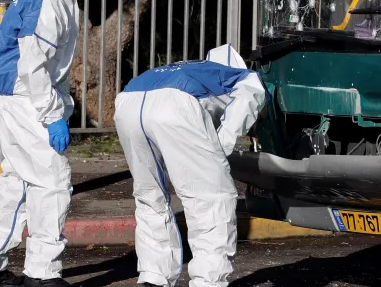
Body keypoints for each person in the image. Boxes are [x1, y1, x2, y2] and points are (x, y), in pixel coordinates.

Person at [0, 0, 107, 287]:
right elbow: (33, 65)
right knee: (52, 182)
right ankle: (42, 275)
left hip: (18, 96)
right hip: (26, 99)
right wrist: (51, 114)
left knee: (18, 186)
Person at [114, 44, 267, 287]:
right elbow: (252, 95)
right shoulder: (239, 75)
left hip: (127, 101)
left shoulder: (188, 68)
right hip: (175, 104)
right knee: (212, 198)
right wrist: (221, 147)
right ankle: (209, 281)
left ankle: (154, 277)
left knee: (150, 196)